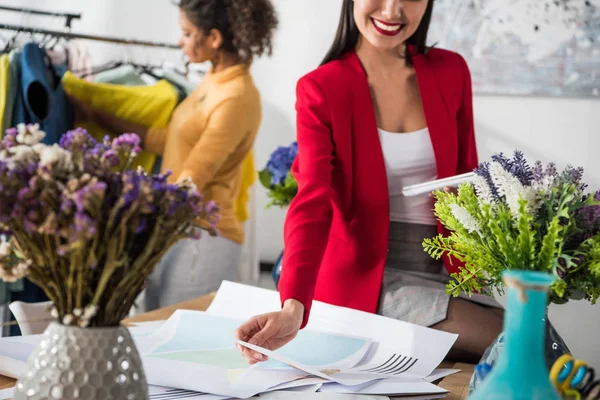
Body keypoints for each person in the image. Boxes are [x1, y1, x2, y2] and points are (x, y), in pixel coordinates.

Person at [235, 0, 504, 365]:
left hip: (450, 266)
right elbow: (311, 203)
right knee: (518, 346)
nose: (392, 10)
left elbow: (467, 181)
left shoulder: (451, 71)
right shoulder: (321, 88)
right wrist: (293, 304)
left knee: (539, 338)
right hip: (370, 276)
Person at [69, 0, 278, 310]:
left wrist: (128, 217)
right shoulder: (214, 80)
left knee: (172, 340)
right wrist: (97, 115)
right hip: (179, 229)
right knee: (154, 327)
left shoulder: (236, 96)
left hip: (204, 237)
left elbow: (194, 175)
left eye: (187, 32)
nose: (180, 40)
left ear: (215, 38)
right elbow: (169, 141)